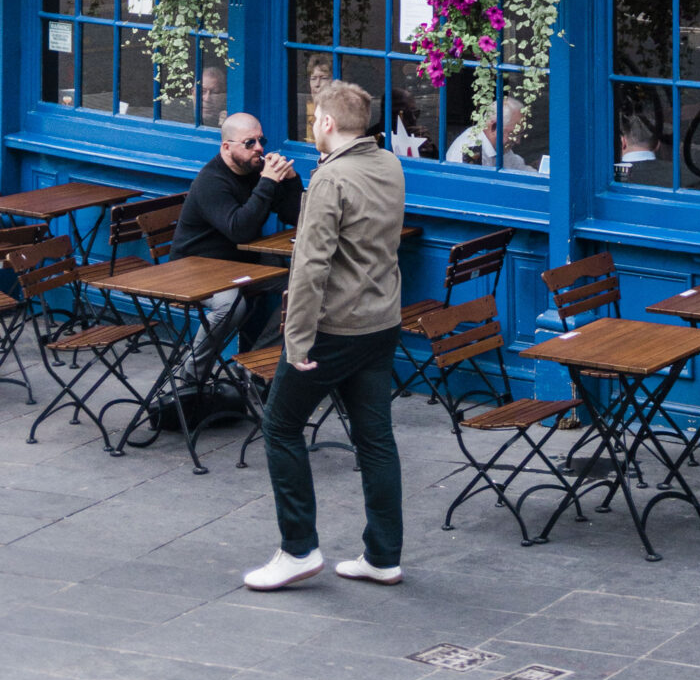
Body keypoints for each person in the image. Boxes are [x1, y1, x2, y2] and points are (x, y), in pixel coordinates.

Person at [244, 78, 407, 592]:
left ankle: (298, 549)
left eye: (315, 118)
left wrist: (296, 342)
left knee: (280, 425)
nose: (312, 125)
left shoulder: (331, 181)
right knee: (375, 439)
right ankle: (382, 555)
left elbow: (310, 267)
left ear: (328, 124)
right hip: (382, 322)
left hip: (336, 327)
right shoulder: (389, 164)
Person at [170, 112, 301, 375]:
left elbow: (294, 215)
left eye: (260, 140)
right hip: (197, 266)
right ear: (227, 147)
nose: (260, 148)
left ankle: (254, 365)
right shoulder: (211, 181)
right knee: (230, 305)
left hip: (240, 261)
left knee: (305, 286)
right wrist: (267, 182)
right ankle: (191, 374)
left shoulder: (254, 171)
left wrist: (290, 179)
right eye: (249, 143)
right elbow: (239, 230)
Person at [445, 99, 530, 168]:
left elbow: (518, 168)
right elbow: (474, 187)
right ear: (494, 126)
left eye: (519, 134)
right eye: (513, 134)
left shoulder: (500, 146)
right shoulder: (471, 149)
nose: (518, 141)